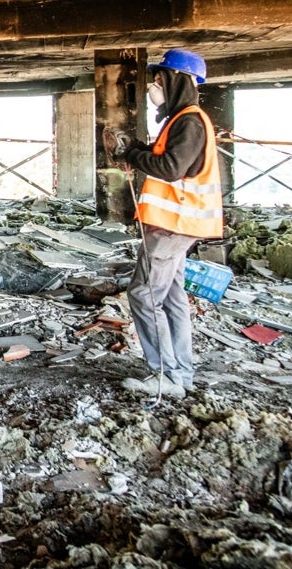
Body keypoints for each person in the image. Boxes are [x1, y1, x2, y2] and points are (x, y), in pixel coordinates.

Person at [105, 49, 223, 398]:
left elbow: (171, 168)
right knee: (171, 298)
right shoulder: (181, 121)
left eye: (159, 81)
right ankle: (180, 374)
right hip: (175, 224)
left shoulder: (189, 120)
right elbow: (165, 160)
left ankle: (166, 376)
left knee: (143, 293)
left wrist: (131, 155)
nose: (154, 88)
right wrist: (140, 149)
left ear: (176, 81)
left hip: (175, 224)